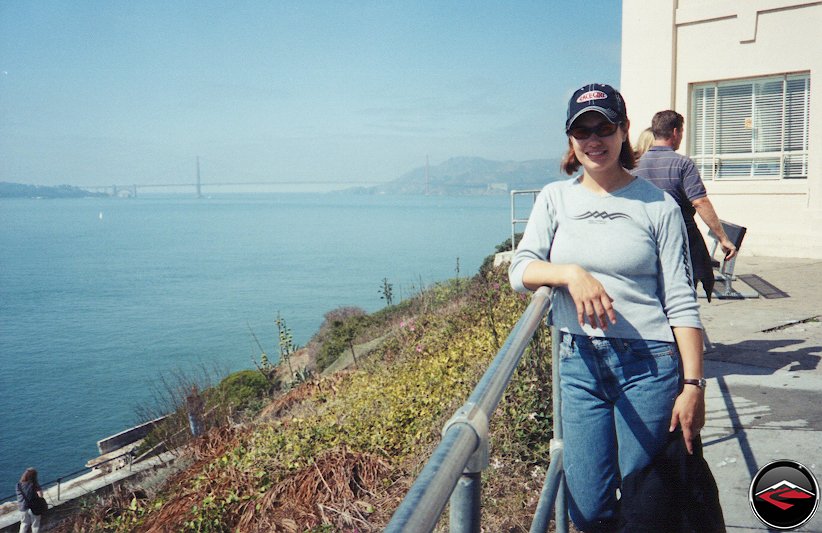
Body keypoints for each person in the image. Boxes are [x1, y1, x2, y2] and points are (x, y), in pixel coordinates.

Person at [509, 83, 714, 532]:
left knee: (646, 504)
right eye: (582, 130)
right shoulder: (555, 198)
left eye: (603, 126)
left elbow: (680, 299)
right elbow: (520, 269)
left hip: (649, 367)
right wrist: (569, 273)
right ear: (570, 140)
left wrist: (694, 384)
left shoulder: (658, 205)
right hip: (578, 364)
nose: (593, 139)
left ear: (623, 130)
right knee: (588, 508)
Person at [633, 110, 737, 300]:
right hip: (678, 238)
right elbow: (699, 202)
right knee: (681, 292)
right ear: (675, 132)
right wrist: (723, 238)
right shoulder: (683, 164)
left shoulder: (634, 165)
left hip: (643, 236)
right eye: (681, 132)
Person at [16, 468, 43, 533]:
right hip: (34, 507)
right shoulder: (34, 484)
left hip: (22, 508)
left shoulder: (18, 485)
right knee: (35, 525)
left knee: (24, 524)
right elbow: (40, 495)